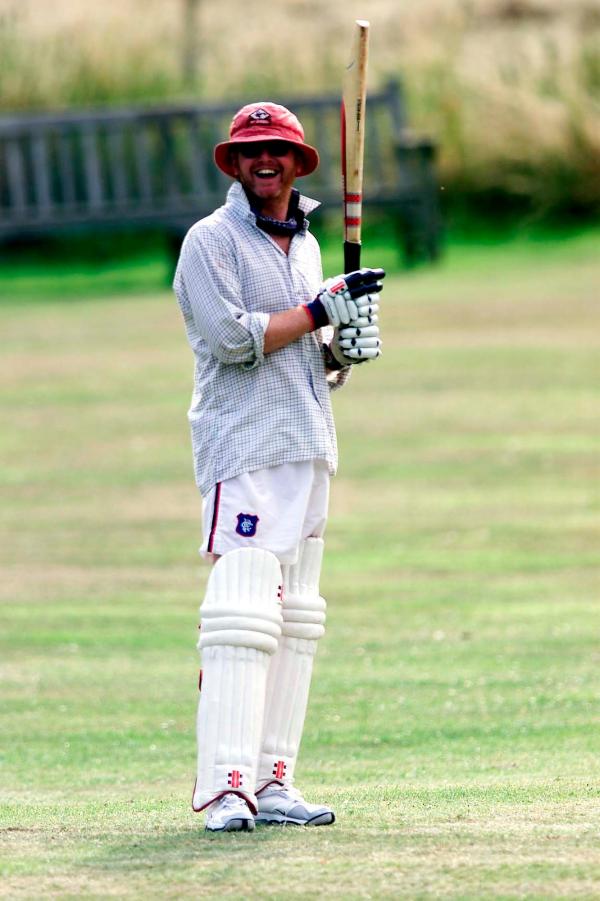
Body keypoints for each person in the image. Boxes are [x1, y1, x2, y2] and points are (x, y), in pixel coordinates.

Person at [173, 100, 384, 832]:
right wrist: (323, 309)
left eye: (279, 151)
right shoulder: (209, 242)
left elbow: (305, 352)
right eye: (251, 151)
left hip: (308, 441)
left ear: (298, 164)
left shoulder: (309, 245)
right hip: (244, 445)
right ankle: (227, 787)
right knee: (240, 613)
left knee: (297, 618)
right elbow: (234, 340)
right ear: (235, 163)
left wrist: (340, 350)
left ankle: (274, 778)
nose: (266, 161)